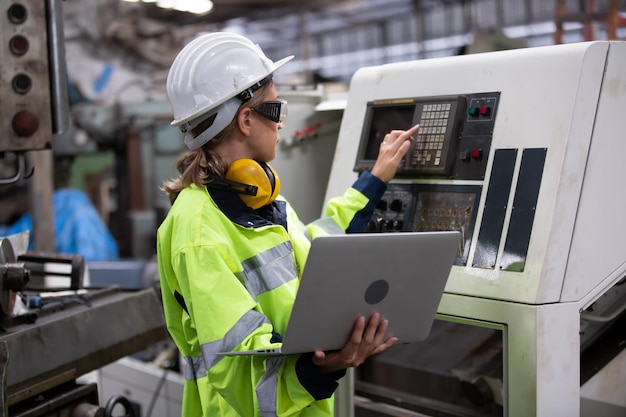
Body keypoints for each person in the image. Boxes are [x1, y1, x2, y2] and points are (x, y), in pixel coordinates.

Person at [156, 32, 420, 417]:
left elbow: (313, 250)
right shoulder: (198, 235)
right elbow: (240, 375)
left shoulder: (258, 199)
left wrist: (374, 180)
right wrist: (325, 366)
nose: (281, 124)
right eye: (276, 109)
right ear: (247, 119)